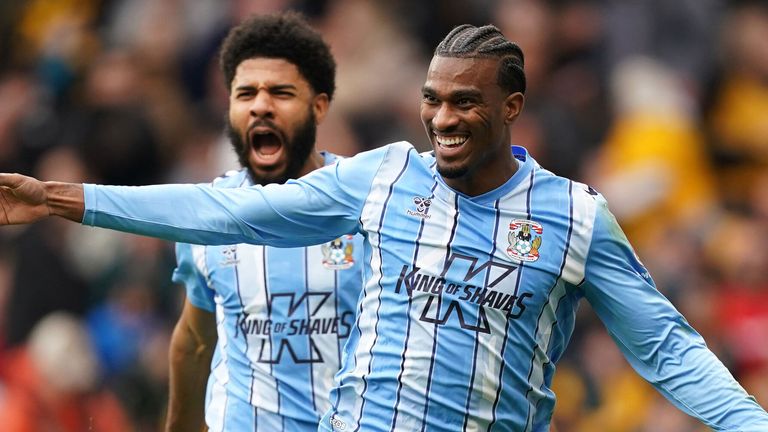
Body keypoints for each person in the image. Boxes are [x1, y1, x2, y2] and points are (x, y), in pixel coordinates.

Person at [1, 23, 767, 431]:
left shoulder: (575, 217)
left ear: (512, 105)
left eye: (464, 101)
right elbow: (228, 211)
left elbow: (666, 349)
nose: (442, 118)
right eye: (433, 99)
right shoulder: (387, 176)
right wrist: (63, 196)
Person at [164, 13, 365, 432]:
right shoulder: (209, 214)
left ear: (319, 106)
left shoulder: (371, 203)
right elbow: (196, 340)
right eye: (245, 93)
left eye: (280, 92)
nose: (260, 105)